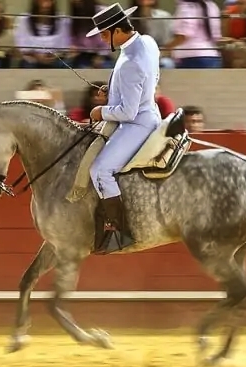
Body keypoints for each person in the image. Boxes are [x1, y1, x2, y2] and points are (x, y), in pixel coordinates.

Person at [86, 3, 182, 248]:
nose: (103, 40)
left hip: (136, 124)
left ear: (118, 30)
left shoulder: (130, 61)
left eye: (105, 35)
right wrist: (116, 92)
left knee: (100, 170)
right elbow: (151, 78)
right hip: (149, 111)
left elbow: (128, 112)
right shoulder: (147, 42)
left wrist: (101, 111)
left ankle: (120, 233)